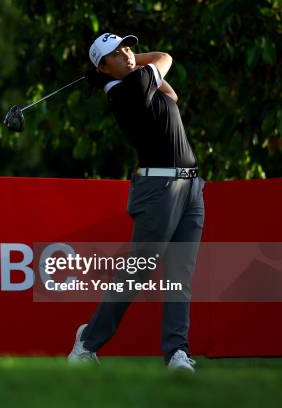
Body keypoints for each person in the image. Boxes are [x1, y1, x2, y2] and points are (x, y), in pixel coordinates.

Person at [67, 33, 205, 372]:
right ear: (103, 66)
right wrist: (126, 66)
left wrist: (117, 64)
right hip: (159, 187)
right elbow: (165, 55)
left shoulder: (139, 84)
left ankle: (177, 353)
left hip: (191, 187)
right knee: (138, 272)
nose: (128, 54)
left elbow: (171, 95)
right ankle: (86, 344)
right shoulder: (129, 88)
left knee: (179, 276)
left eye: (127, 47)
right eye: (116, 53)